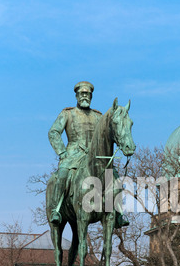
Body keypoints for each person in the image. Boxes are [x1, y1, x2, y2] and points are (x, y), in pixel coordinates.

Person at [48, 81, 128, 228]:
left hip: (94, 158)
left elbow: (108, 133)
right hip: (73, 155)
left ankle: (118, 213)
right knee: (62, 174)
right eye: (82, 94)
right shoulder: (67, 113)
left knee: (114, 176)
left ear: (91, 96)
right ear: (77, 95)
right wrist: (62, 152)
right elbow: (53, 132)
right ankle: (56, 210)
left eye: (87, 94)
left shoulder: (98, 116)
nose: (85, 96)